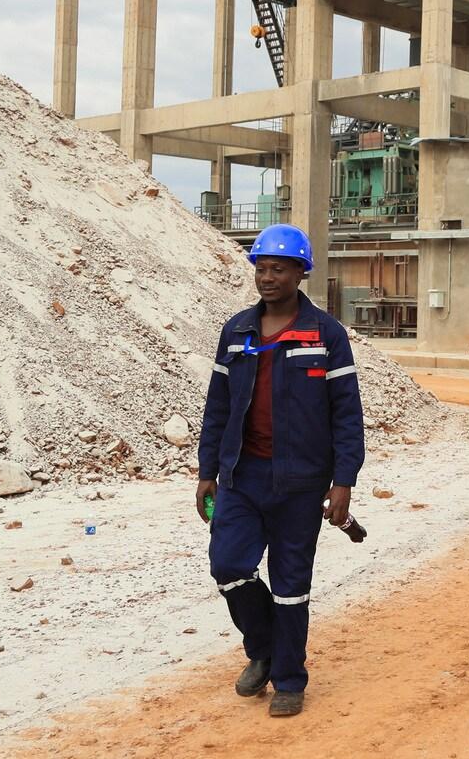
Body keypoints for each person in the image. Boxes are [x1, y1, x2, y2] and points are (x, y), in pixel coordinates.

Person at [196, 223, 364, 718]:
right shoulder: (238, 330)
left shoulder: (326, 334)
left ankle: (289, 678)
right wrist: (208, 468)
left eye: (278, 269)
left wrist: (343, 481)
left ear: (300, 273)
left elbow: (347, 413)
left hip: (301, 481)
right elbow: (218, 406)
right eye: (261, 268)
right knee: (228, 566)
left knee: (291, 585)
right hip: (242, 477)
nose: (267, 277)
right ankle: (264, 649)